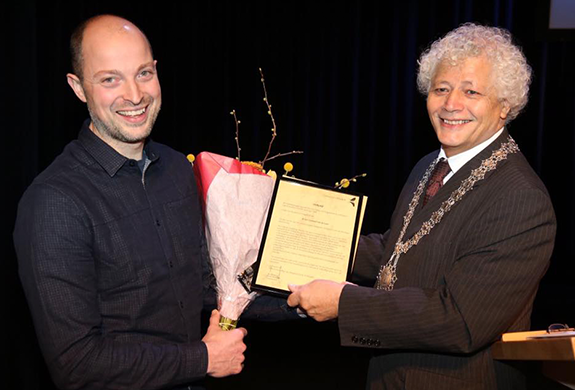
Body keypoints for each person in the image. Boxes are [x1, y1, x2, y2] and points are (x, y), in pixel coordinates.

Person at [14, 14, 290, 390]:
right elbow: (76, 364)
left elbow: (206, 286)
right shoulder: (54, 203)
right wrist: (204, 359)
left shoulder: (177, 169)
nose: (135, 95)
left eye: (143, 73)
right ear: (78, 87)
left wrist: (304, 296)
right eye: (110, 79)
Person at [287, 23, 556, 389]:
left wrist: (345, 304)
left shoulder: (521, 198)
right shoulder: (430, 164)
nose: (451, 104)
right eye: (441, 89)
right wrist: (299, 242)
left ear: (504, 106)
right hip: (388, 373)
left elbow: (461, 321)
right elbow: (395, 249)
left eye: (471, 91)